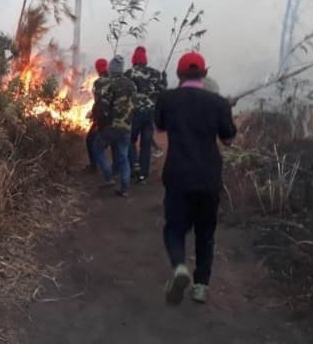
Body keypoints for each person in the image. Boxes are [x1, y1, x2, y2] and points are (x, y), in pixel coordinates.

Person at [154, 51, 237, 305]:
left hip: (178, 174)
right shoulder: (218, 103)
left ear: (179, 74)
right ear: (204, 73)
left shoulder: (168, 99)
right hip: (209, 177)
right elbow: (228, 139)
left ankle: (179, 267)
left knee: (174, 229)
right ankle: (201, 286)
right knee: (205, 233)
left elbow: (160, 127)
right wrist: (224, 110)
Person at [92, 55, 138, 197]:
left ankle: (108, 176)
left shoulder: (109, 85)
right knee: (123, 156)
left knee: (97, 148)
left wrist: (99, 123)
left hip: (111, 127)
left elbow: (103, 108)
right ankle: (124, 188)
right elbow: (133, 105)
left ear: (111, 69)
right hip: (126, 127)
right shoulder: (132, 85)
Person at [124, 46, 167, 183]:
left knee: (130, 141)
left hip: (134, 113)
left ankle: (132, 166)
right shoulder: (155, 73)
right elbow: (162, 91)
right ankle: (143, 174)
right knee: (146, 144)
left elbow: (124, 93)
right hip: (150, 114)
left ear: (134, 60)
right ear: (145, 59)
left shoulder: (129, 74)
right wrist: (164, 79)